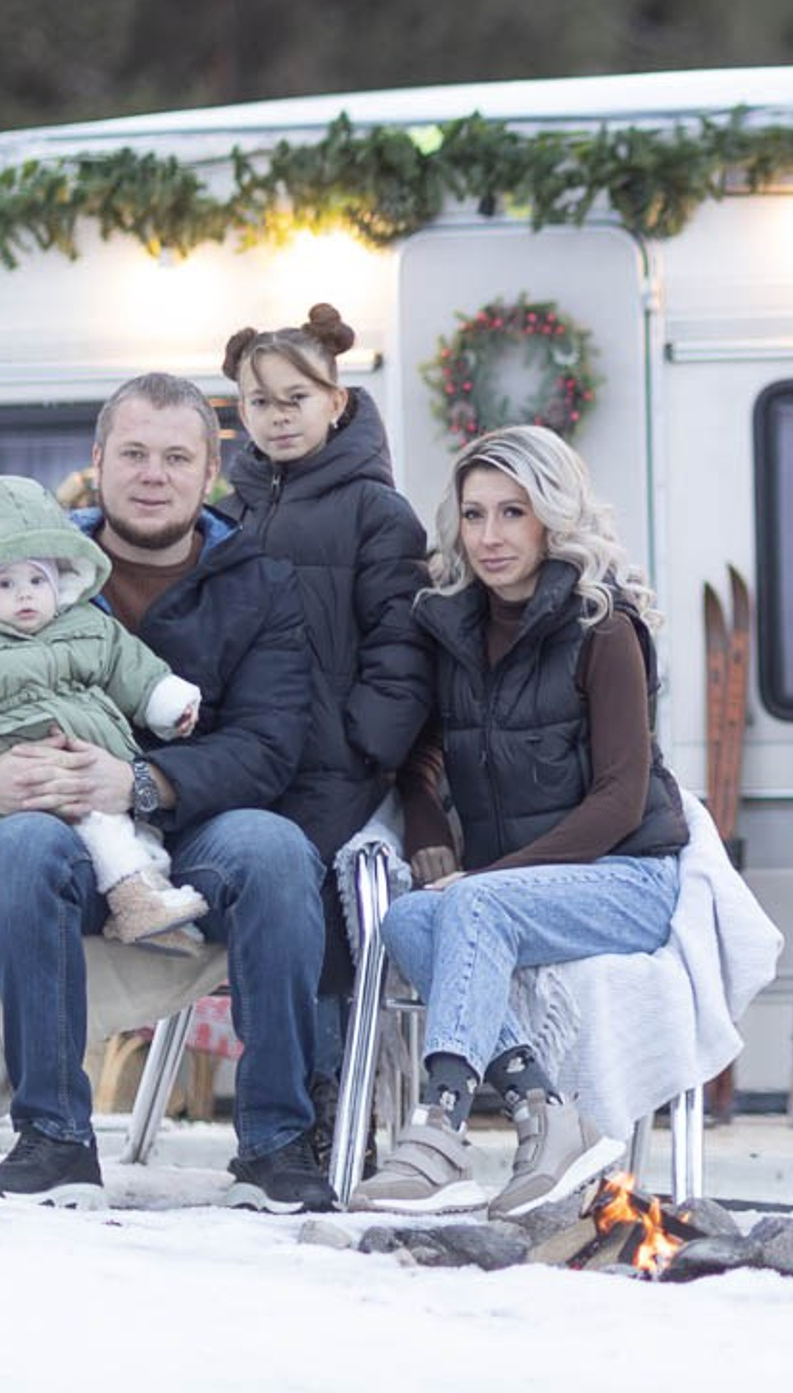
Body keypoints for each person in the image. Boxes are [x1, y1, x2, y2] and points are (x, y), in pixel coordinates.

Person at [0, 374, 332, 1212]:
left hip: (196, 830)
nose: (154, 474)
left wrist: (141, 781)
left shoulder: (260, 584)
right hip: (53, 825)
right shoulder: (20, 570)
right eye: (135, 453)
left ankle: (276, 1140)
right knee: (19, 846)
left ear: (210, 470)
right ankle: (54, 1137)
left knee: (276, 850)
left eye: (177, 457)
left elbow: (269, 744)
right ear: (98, 459)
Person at [352, 425, 688, 1218]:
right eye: (475, 515)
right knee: (406, 917)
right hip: (515, 891)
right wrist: (430, 826)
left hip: (627, 879)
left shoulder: (603, 627)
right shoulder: (450, 627)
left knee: (464, 906)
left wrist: (490, 881)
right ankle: (546, 1113)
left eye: (514, 512)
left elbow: (620, 796)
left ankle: (438, 1131)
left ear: (552, 518)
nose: (491, 537)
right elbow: (421, 758)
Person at [220, 304, 433, 1159]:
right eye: (258, 401)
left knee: (318, 925)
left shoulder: (377, 512)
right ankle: (288, 1098)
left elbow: (401, 646)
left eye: (294, 397)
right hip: (247, 759)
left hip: (335, 767)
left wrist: (360, 749)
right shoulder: (230, 509)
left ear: (336, 402)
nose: (276, 415)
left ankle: (331, 1108)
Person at [0, 477, 207, 950]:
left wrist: (168, 702)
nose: (25, 595)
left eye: (37, 581)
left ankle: (150, 904)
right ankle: (137, 898)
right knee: (96, 827)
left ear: (61, 580)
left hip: (91, 764)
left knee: (125, 825)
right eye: (5, 584)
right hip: (21, 770)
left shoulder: (89, 627)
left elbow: (130, 667)